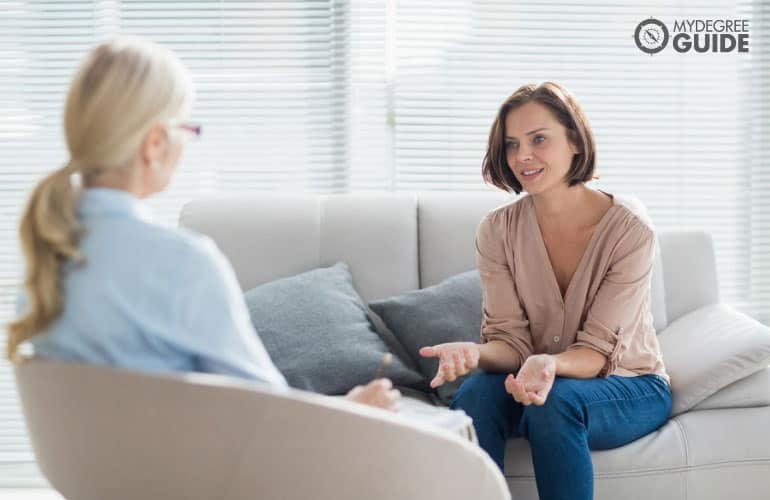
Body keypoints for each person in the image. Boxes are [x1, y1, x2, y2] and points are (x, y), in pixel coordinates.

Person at [7, 36, 400, 412]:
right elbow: (267, 418)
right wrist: (352, 411)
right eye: (185, 129)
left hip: (95, 481)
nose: (186, 143)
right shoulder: (181, 263)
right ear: (156, 143)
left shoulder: (46, 264)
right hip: (188, 480)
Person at [419, 81, 672, 500]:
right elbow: (510, 343)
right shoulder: (497, 230)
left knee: (557, 402)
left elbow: (595, 354)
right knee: (475, 394)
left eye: (539, 139)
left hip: (628, 383)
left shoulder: (630, 233)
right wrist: (474, 353)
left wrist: (545, 364)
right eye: (511, 145)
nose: (522, 157)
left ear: (574, 140)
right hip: (533, 378)